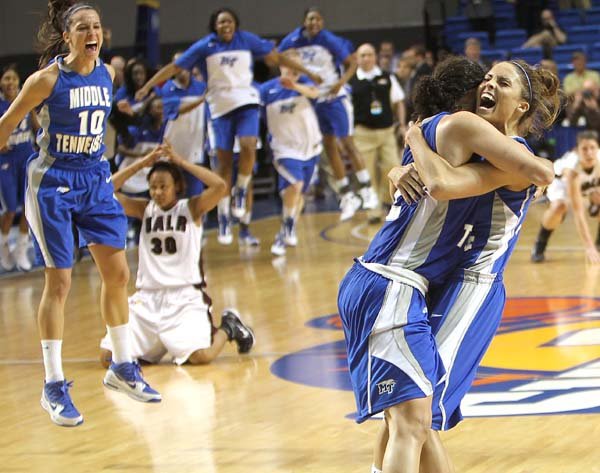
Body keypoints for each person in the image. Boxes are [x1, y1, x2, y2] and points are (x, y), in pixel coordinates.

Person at [338, 57, 557, 473]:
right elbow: (437, 183)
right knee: (411, 418)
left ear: (522, 106)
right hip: (419, 281)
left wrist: (413, 144)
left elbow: (448, 183)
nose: (488, 84)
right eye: (486, 78)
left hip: (469, 286)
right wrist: (401, 162)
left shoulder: (501, 152)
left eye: (500, 81)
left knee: (412, 418)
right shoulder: (467, 137)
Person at [0, 2, 160, 427]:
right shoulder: (46, 80)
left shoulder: (108, 74)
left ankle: (122, 367)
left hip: (95, 176)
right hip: (53, 181)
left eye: (97, 27)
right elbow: (6, 124)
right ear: (67, 37)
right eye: (83, 28)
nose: (93, 33)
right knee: (61, 280)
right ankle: (52, 384)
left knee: (119, 274)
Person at [136, 7, 321, 223]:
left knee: (248, 145)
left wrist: (309, 73)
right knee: (222, 166)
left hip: (245, 101)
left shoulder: (246, 39)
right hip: (220, 108)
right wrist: (148, 86)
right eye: (222, 22)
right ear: (215, 26)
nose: (226, 25)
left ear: (235, 24)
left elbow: (277, 57)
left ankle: (241, 189)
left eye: (230, 21)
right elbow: (174, 67)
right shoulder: (206, 45)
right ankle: (224, 215)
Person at [99, 142, 255, 367]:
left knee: (201, 357)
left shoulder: (192, 208)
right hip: (147, 300)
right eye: (153, 187)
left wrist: (180, 162)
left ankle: (229, 326)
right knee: (108, 358)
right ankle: (160, 344)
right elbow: (104, 192)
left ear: (177, 186)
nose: (157, 192)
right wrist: (142, 164)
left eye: (163, 186)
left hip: (184, 299)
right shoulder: (144, 210)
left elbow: (220, 186)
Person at [279, 7, 379, 221]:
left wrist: (340, 83)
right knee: (329, 145)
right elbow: (280, 57)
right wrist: (300, 73)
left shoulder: (329, 40)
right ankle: (346, 194)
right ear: (304, 21)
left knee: (347, 143)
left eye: (317, 19)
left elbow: (352, 62)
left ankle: (366, 189)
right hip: (314, 97)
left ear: (322, 22)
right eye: (310, 18)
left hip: (335, 97)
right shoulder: (293, 40)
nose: (314, 22)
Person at [259, 49, 322, 256]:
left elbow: (316, 93)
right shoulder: (266, 90)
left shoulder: (306, 84)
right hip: (284, 149)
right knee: (296, 185)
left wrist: (294, 85)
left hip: (311, 149)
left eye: (297, 65)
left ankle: (285, 230)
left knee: (299, 192)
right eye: (289, 64)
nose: (293, 69)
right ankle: (286, 228)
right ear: (281, 65)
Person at [349, 43, 405, 223]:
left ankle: (388, 201)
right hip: (362, 133)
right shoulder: (351, 82)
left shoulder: (387, 77)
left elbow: (398, 101)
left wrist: (402, 124)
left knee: (392, 165)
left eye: (370, 55)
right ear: (357, 58)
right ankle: (373, 211)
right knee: (368, 173)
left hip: (387, 131)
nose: (366, 58)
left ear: (375, 57)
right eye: (363, 55)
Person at [531, 130, 600, 263]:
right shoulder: (572, 169)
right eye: (584, 149)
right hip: (561, 185)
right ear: (577, 150)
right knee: (559, 207)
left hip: (587, 186)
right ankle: (540, 242)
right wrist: (588, 246)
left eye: (592, 148)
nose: (589, 152)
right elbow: (578, 212)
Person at [0, 65, 38, 271]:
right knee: (9, 210)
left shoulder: (26, 100)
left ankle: (21, 248)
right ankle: (4, 247)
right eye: (6, 79)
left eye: (13, 79)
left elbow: (37, 126)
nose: (10, 83)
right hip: (5, 161)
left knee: (27, 207)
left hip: (26, 157)